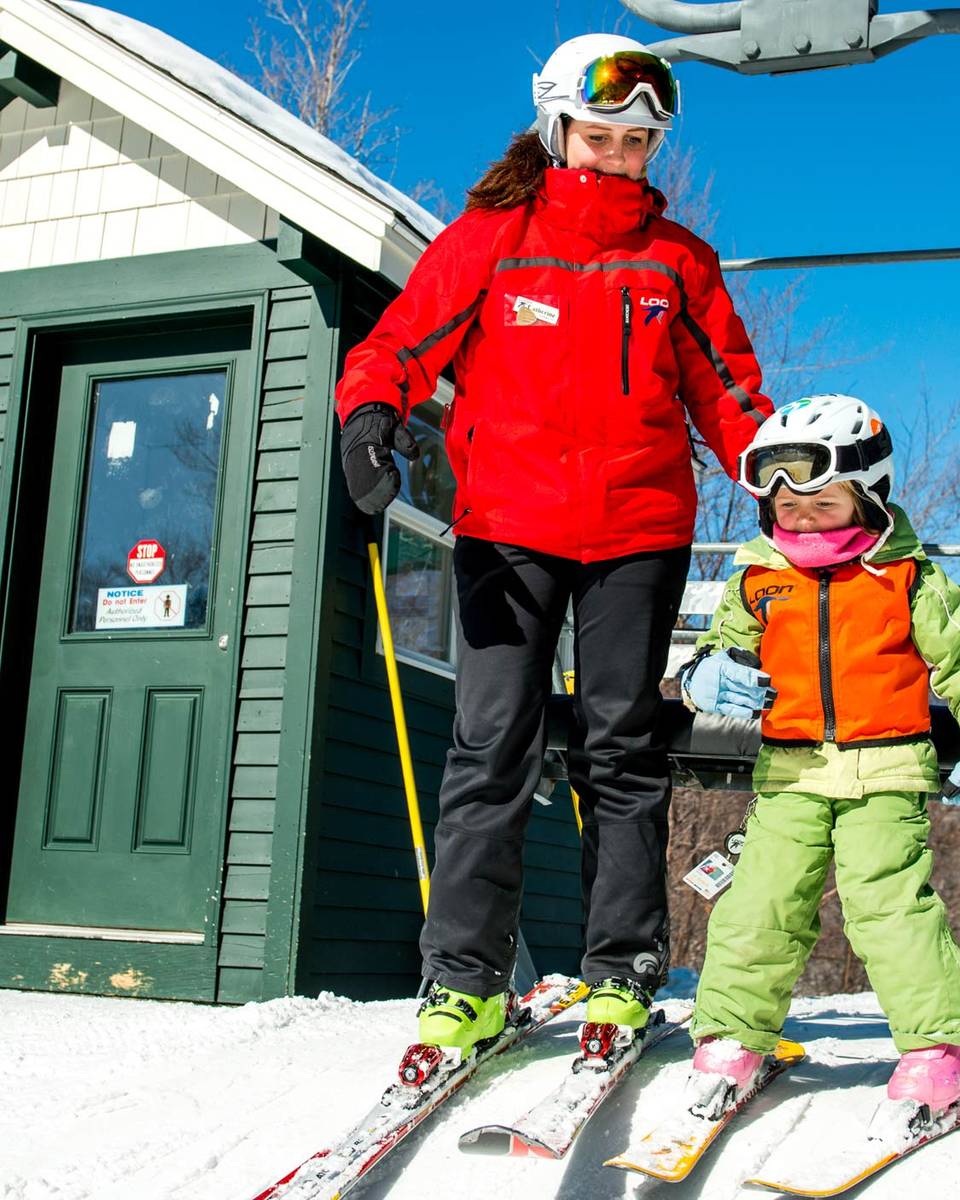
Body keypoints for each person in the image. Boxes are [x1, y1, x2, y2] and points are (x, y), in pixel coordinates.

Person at [335, 32, 772, 1052]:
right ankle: (465, 982)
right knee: (491, 744)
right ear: (556, 126)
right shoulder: (494, 237)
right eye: (601, 135)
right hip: (509, 529)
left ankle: (620, 970)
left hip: (638, 530)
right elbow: (400, 344)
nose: (618, 155)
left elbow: (732, 395)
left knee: (622, 747)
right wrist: (369, 421)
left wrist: (788, 489)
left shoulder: (678, 262)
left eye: (636, 142)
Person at [680, 393, 960, 1113]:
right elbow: (722, 649)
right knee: (761, 904)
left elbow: (956, 658)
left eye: (820, 503)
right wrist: (702, 675)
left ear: (868, 496)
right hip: (790, 771)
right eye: (784, 506)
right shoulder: (758, 575)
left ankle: (937, 1047)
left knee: (888, 907)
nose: (798, 519)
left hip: (887, 770)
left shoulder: (907, 576)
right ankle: (733, 1037)